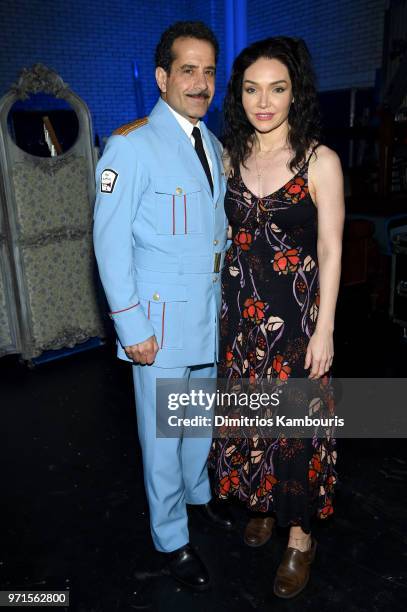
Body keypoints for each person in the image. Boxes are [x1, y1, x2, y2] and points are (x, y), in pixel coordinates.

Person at [93, 21, 234, 591]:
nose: (200, 83)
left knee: (198, 422)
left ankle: (198, 500)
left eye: (208, 71)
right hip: (159, 324)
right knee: (163, 437)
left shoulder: (212, 142)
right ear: (162, 76)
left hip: (206, 316)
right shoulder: (130, 145)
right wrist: (131, 327)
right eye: (187, 71)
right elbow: (109, 242)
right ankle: (171, 538)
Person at [210, 36, 344, 599]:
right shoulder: (228, 156)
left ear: (296, 93)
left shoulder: (321, 160)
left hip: (295, 327)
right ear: (238, 95)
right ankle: (262, 504)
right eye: (250, 89)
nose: (263, 101)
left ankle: (298, 535)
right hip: (240, 323)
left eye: (277, 88)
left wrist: (326, 329)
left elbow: (333, 248)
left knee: (295, 435)